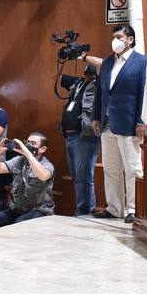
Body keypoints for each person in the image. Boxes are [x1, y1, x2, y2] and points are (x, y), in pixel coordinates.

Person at [93, 24, 146, 223]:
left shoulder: (141, 62)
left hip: (129, 123)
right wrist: (96, 116)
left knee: (132, 168)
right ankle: (114, 207)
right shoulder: (107, 62)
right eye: (114, 36)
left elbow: (143, 94)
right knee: (111, 168)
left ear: (130, 39)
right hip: (107, 122)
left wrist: (140, 121)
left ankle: (133, 209)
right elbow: (100, 91)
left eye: (119, 36)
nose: (115, 40)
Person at [0, 132, 56, 230]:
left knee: (19, 224)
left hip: (39, 210)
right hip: (18, 209)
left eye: (33, 143)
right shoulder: (19, 160)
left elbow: (44, 176)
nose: (28, 145)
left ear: (42, 149)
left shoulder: (47, 165)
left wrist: (27, 152)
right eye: (27, 142)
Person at [59, 65, 100, 216]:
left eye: (91, 70)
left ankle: (84, 212)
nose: (87, 71)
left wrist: (89, 63)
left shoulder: (99, 85)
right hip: (69, 136)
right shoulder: (79, 83)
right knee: (78, 177)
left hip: (85, 137)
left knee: (84, 177)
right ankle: (84, 211)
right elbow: (60, 79)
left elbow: (104, 72)